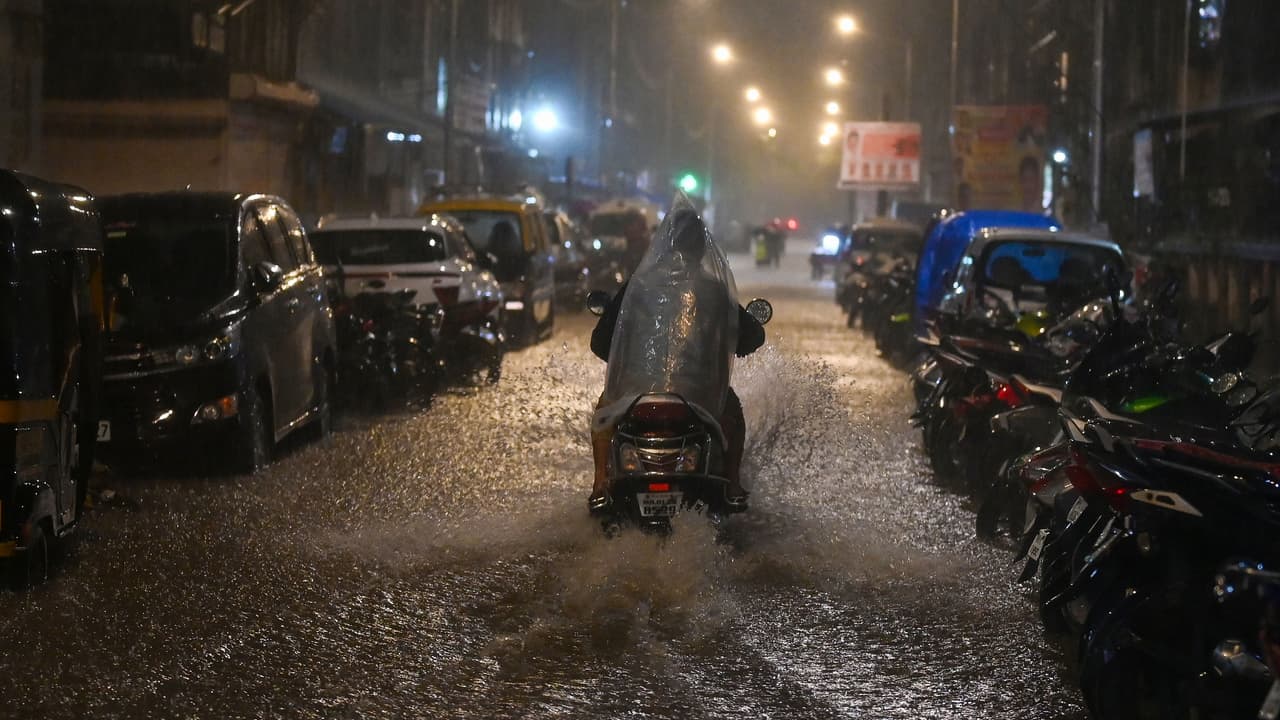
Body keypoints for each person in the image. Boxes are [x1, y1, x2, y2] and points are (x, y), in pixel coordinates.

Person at [587, 209, 765, 512]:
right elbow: (751, 338)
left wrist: (627, 361)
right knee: (732, 408)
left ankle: (601, 483)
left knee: (604, 410)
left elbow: (601, 342)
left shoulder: (637, 287)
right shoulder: (713, 289)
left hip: (635, 395)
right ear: (701, 248)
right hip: (699, 398)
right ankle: (732, 484)